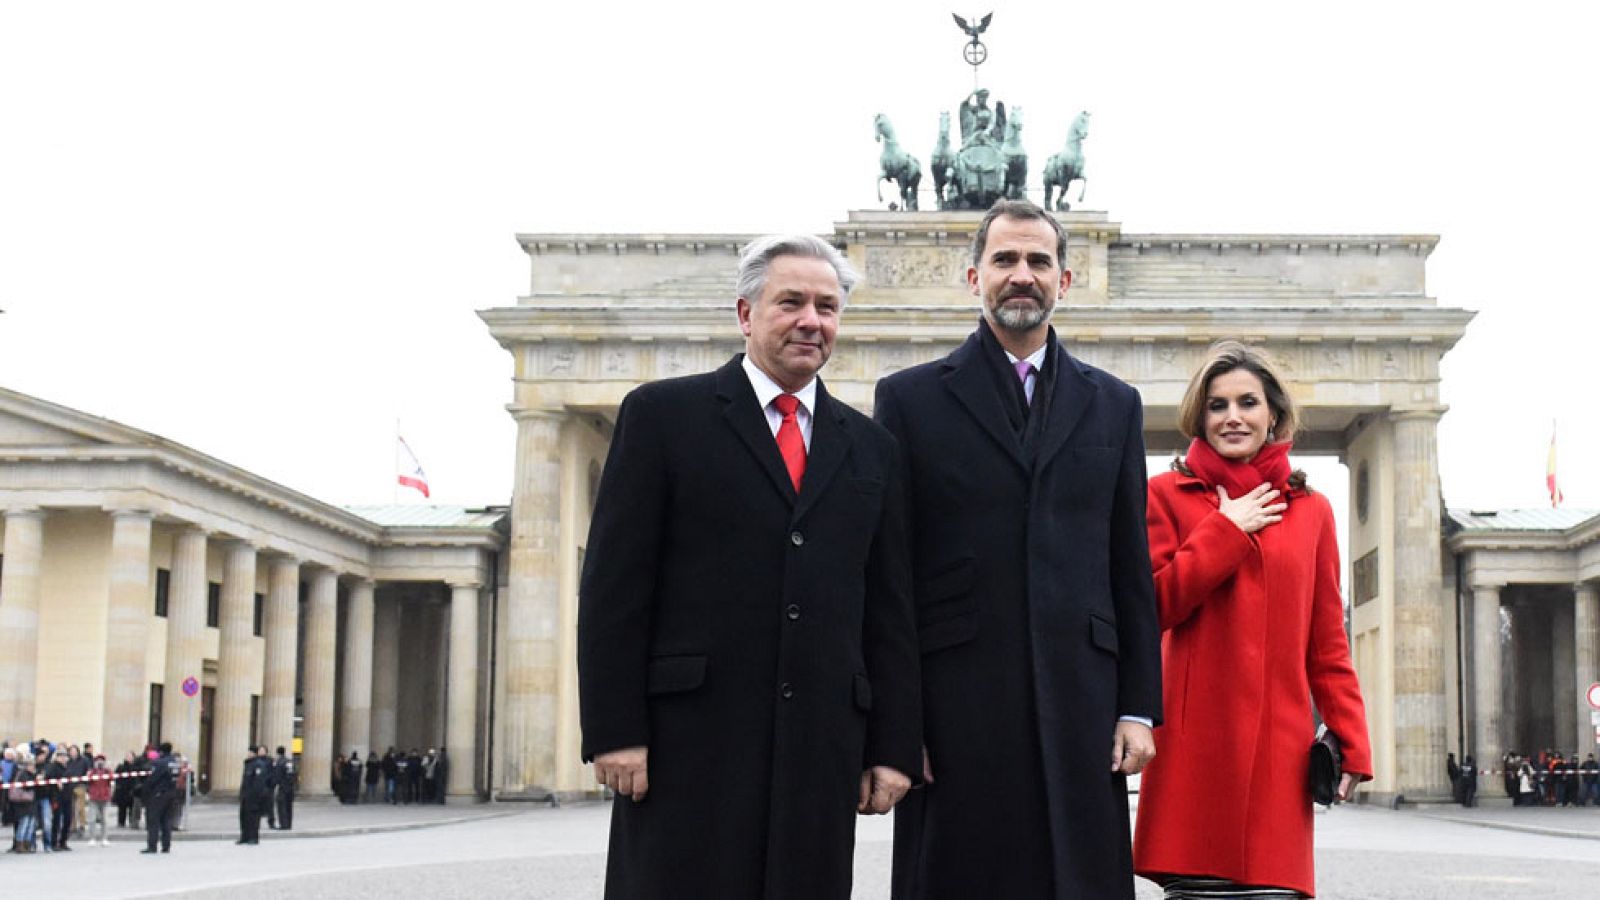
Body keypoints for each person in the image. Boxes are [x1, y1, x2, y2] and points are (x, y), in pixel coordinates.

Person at [578, 233, 920, 900]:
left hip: (820, 747)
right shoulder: (662, 417)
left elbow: (888, 608)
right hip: (689, 743)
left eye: (826, 306)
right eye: (790, 302)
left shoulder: (872, 449)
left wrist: (893, 744)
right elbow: (615, 589)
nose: (810, 321)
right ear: (745, 314)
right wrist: (616, 732)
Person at [874, 199, 1160, 899]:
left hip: (1082, 701)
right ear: (974, 277)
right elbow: (890, 577)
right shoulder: (909, 400)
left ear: (1065, 279)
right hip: (955, 704)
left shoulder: (1114, 404)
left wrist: (1138, 706)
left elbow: (1129, 566)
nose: (1022, 274)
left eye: (1039, 260)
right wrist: (895, 725)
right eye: (1005, 259)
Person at [1132, 340, 1373, 899]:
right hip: (1194, 750)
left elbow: (1327, 642)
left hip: (1278, 752)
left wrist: (1351, 738)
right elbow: (1154, 607)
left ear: (1273, 414)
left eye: (1248, 402)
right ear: (1200, 415)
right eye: (1218, 405)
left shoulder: (1311, 510)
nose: (1233, 417)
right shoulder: (1165, 496)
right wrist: (1226, 530)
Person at [141, 742, 181, 854]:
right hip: (172, 793)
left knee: (153, 820)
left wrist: (145, 790)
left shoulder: (160, 763)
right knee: (167, 820)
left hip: (159, 794)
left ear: (161, 751)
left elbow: (152, 779)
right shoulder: (175, 762)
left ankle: (152, 846)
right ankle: (166, 846)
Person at [238, 745, 272, 844]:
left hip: (254, 798)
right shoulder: (248, 764)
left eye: (251, 752)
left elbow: (259, 783)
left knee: (253, 818)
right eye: (248, 752)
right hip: (246, 796)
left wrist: (256, 797)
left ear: (255, 753)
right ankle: (244, 837)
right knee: (244, 817)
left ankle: (253, 838)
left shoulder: (259, 765)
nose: (249, 754)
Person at [85, 754, 113, 845]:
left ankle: (104, 838)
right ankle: (92, 838)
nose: (100, 763)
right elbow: (88, 781)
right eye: (98, 761)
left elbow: (112, 779)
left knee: (105, 819)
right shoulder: (92, 772)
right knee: (92, 819)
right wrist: (92, 772)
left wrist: (108, 769)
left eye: (102, 761)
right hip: (94, 798)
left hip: (105, 798)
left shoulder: (107, 771)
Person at [272, 746, 297, 830]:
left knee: (281, 806)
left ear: (277, 753)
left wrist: (274, 785)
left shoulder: (279, 762)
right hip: (291, 787)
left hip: (282, 787)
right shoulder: (290, 762)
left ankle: (284, 824)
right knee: (289, 806)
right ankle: (289, 824)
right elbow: (295, 774)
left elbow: (277, 775)